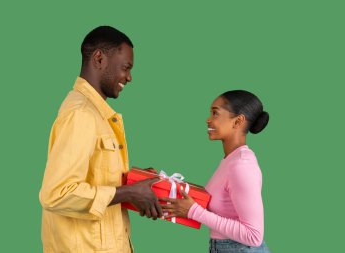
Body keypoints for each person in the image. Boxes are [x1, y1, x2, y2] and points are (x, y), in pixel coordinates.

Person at [39, 26, 162, 253]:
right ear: (99, 58)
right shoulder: (81, 114)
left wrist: (132, 183)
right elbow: (56, 194)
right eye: (126, 67)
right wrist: (128, 193)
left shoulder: (96, 114)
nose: (129, 77)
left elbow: (95, 178)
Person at [160, 90, 271, 253]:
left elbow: (254, 235)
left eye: (215, 113)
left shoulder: (242, 165)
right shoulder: (230, 160)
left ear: (238, 121)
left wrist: (194, 212)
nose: (208, 119)